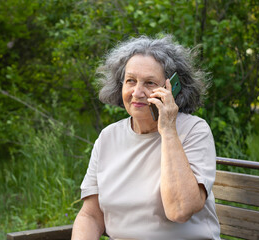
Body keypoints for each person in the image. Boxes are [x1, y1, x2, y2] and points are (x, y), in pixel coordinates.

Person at [72, 35, 220, 240]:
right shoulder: (108, 137)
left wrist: (168, 129)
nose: (137, 92)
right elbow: (91, 215)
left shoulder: (194, 130)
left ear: (172, 89)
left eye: (150, 83)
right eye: (130, 80)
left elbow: (180, 210)